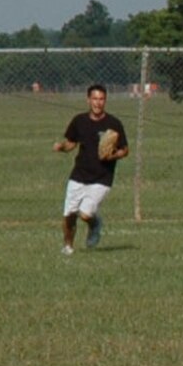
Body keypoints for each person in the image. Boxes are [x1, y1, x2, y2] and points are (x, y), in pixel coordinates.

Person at [53, 83, 129, 254]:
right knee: (69, 214)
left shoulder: (113, 123)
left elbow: (125, 149)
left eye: (101, 99)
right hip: (79, 174)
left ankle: (95, 224)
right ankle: (68, 247)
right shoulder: (79, 121)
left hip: (102, 177)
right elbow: (71, 143)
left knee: (85, 214)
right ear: (88, 100)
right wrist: (62, 147)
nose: (98, 103)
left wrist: (113, 155)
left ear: (105, 101)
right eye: (94, 99)